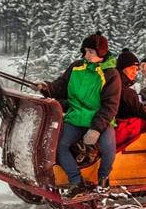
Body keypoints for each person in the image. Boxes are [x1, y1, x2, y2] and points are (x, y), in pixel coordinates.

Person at [36, 32, 121, 196]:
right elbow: (61, 85)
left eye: (91, 52)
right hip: (75, 117)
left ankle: (103, 179)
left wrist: (95, 129)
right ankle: (76, 181)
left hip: (100, 121)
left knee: (108, 148)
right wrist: (47, 87)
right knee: (60, 146)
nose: (86, 55)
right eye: (85, 51)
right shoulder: (76, 67)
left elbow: (110, 107)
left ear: (101, 53)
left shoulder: (111, 74)